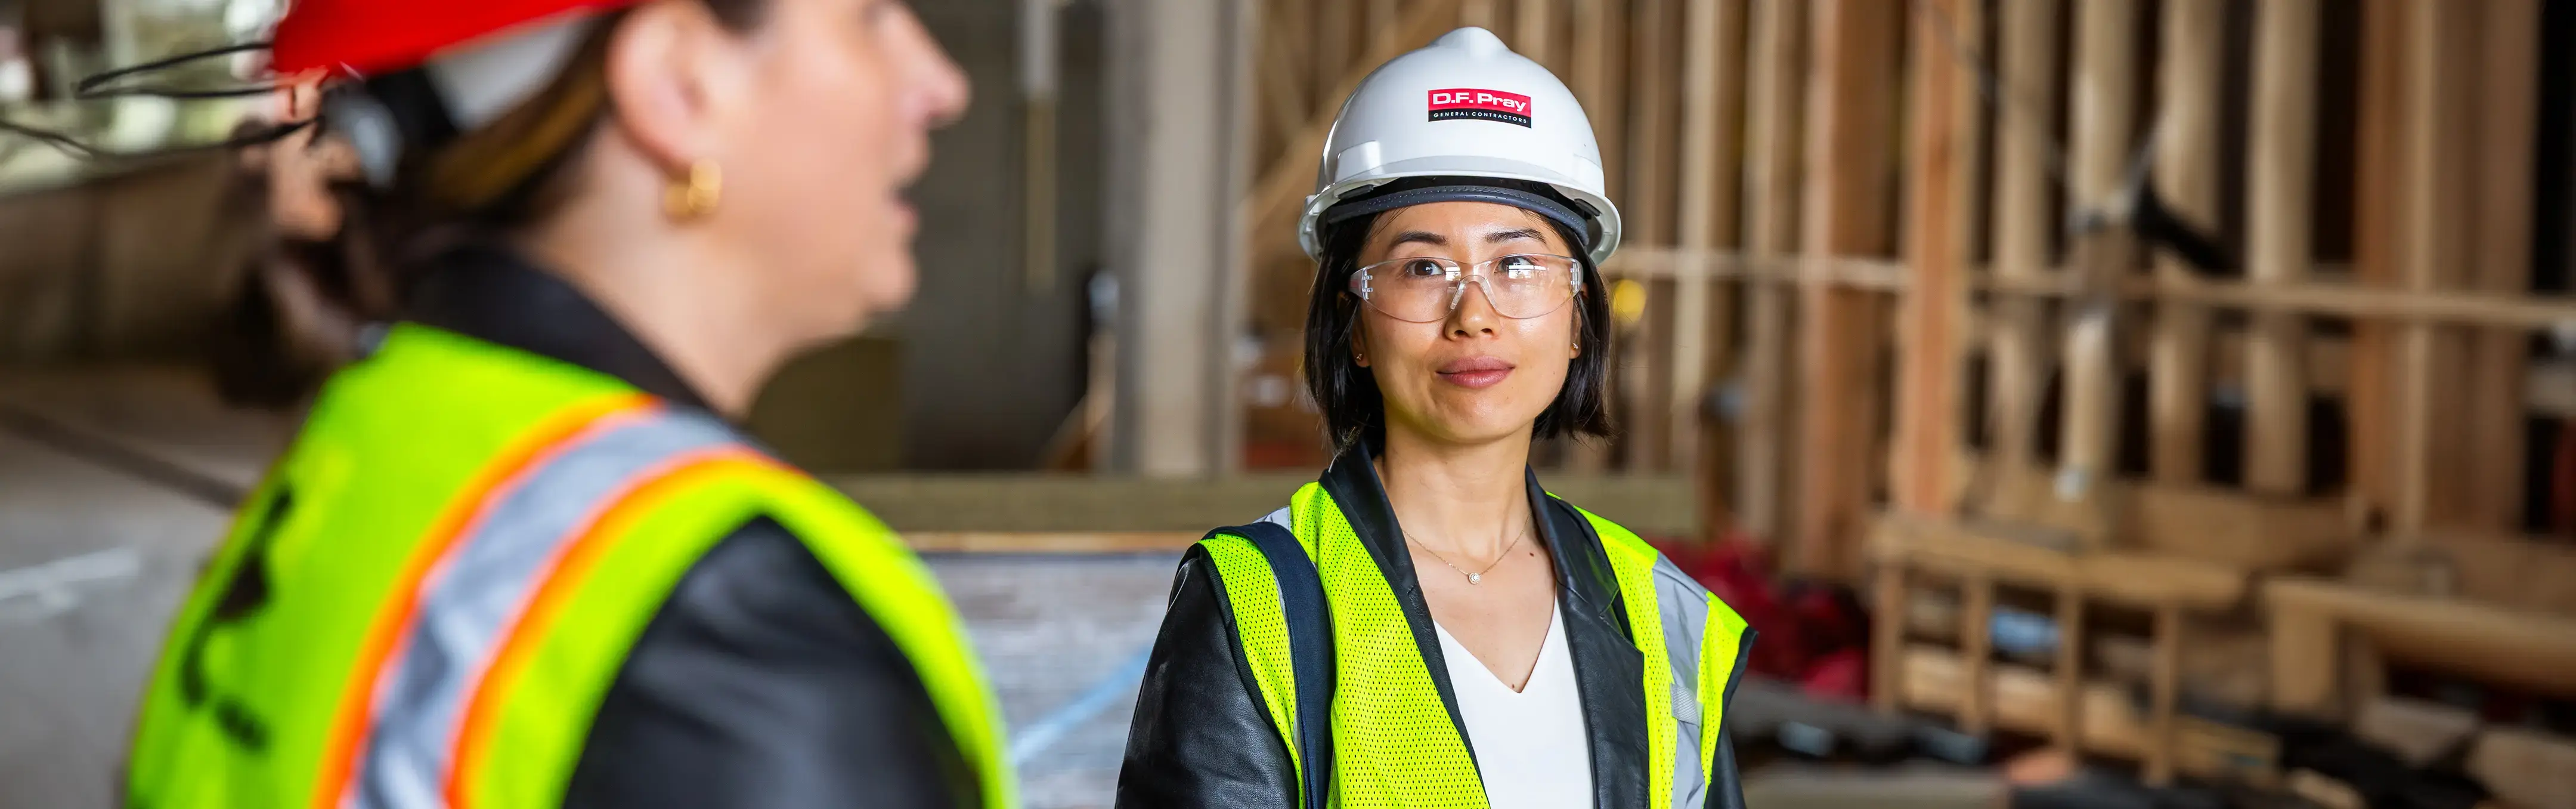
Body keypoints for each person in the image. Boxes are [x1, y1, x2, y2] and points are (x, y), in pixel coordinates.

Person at [121, 1, 1004, 807]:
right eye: (871, 16)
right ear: (678, 84)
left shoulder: (389, 430)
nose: (940, 85)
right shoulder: (739, 646)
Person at [1117, 27, 1751, 809]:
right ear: (1353, 324)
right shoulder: (1263, 603)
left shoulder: (1659, 613)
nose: (1473, 313)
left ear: (1580, 314)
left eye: (1517, 262)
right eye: (1423, 268)